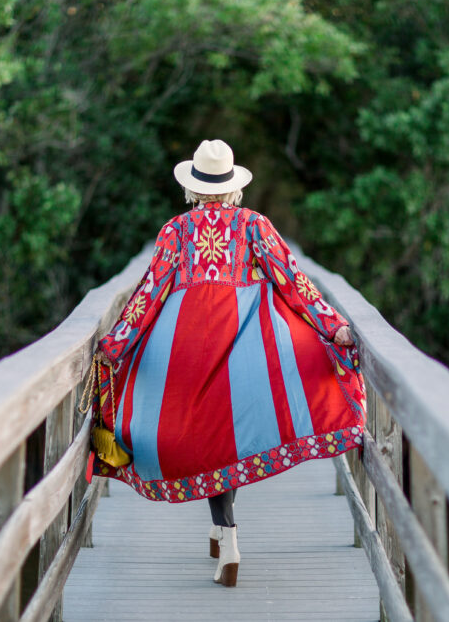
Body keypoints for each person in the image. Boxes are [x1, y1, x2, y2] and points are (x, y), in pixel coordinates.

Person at [91, 139, 366, 587]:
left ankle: (226, 535)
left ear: (194, 189)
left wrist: (117, 344)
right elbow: (292, 280)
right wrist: (331, 325)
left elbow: (149, 294)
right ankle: (225, 536)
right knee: (227, 435)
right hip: (243, 342)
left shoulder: (175, 231)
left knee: (206, 437)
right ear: (233, 188)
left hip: (185, 345)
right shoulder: (255, 225)